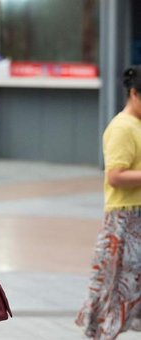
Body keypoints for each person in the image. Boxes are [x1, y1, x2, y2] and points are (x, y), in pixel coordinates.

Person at [76, 66, 141, 339]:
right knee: (112, 292)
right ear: (134, 93)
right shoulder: (122, 127)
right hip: (125, 222)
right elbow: (115, 176)